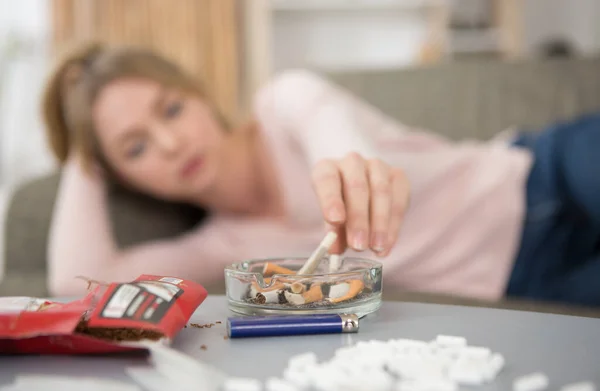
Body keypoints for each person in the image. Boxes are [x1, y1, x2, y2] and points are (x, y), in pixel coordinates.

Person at [44, 42, 600, 308]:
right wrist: (82, 152)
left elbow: (330, 130)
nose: (169, 144)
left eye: (171, 110)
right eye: (135, 148)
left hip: (537, 172)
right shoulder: (218, 245)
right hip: (526, 276)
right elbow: (75, 284)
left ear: (201, 98)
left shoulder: (282, 101)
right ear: (123, 177)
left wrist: (349, 170)